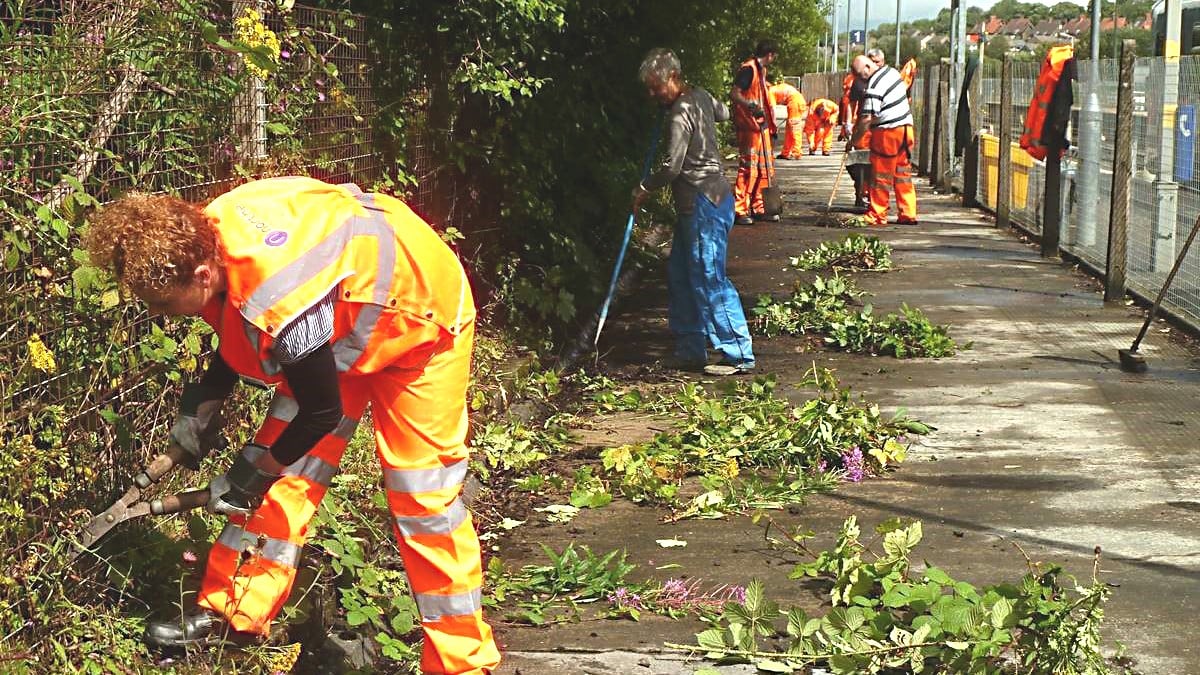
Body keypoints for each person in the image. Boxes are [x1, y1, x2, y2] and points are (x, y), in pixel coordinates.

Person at [84, 177, 501, 675]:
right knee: (285, 473)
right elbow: (230, 325)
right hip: (343, 323)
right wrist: (201, 413)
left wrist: (256, 472)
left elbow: (320, 413)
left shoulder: (280, 297)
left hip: (421, 325)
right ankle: (232, 614)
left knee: (422, 499)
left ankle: (462, 663)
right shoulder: (202, 234)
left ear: (200, 273)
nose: (158, 313)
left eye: (164, 304)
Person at [633, 48, 755, 376]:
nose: (652, 93)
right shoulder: (698, 96)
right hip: (705, 203)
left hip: (704, 202)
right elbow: (724, 113)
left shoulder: (677, 113)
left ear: (673, 78)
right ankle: (691, 348)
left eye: (656, 86)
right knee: (680, 274)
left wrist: (643, 188)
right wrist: (698, 109)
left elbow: (672, 167)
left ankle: (738, 352)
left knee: (707, 276)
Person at [848, 54, 918, 226]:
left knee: (880, 176)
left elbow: (866, 119)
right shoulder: (892, 73)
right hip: (906, 130)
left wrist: (854, 141)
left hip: (887, 133)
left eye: (859, 74)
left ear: (867, 67)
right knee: (903, 175)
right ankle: (908, 213)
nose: (859, 78)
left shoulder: (874, 85)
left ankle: (877, 214)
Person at [730, 39, 779, 225]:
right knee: (748, 169)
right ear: (770, 55)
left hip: (760, 127)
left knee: (764, 169)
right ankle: (740, 209)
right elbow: (735, 94)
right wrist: (750, 105)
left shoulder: (760, 71)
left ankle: (759, 207)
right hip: (749, 127)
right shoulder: (748, 69)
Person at [840, 71, 872, 211]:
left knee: (873, 167)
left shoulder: (883, 81)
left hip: (877, 130)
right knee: (857, 164)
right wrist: (847, 124)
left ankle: (869, 197)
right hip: (862, 129)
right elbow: (850, 104)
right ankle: (860, 195)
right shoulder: (857, 83)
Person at [768, 80, 806, 160]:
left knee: (794, 128)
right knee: (789, 129)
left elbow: (772, 111)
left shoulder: (770, 92)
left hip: (795, 103)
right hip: (795, 102)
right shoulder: (775, 89)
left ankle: (797, 152)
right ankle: (786, 152)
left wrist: (773, 127)